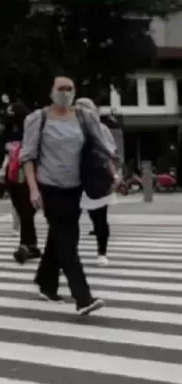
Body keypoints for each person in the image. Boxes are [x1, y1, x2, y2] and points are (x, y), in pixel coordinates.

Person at [19, 75, 118, 316]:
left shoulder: (85, 117)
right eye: (61, 88)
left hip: (76, 187)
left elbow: (102, 148)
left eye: (70, 88)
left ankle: (46, 281)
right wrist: (33, 188)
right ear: (51, 91)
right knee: (67, 241)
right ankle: (82, 297)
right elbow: (28, 156)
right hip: (50, 187)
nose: (66, 92)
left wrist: (114, 173)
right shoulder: (38, 119)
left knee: (59, 236)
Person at [0, 102, 39, 263]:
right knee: (23, 211)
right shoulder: (5, 134)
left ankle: (25, 245)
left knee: (27, 211)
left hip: (31, 177)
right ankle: (31, 245)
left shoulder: (32, 132)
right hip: (11, 177)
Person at [75, 97, 116, 267]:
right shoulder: (69, 129)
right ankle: (67, 257)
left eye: (86, 108)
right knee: (68, 220)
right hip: (73, 177)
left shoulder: (102, 129)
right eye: (78, 108)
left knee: (99, 218)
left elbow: (110, 152)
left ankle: (102, 252)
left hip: (96, 177)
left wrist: (114, 175)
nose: (82, 111)